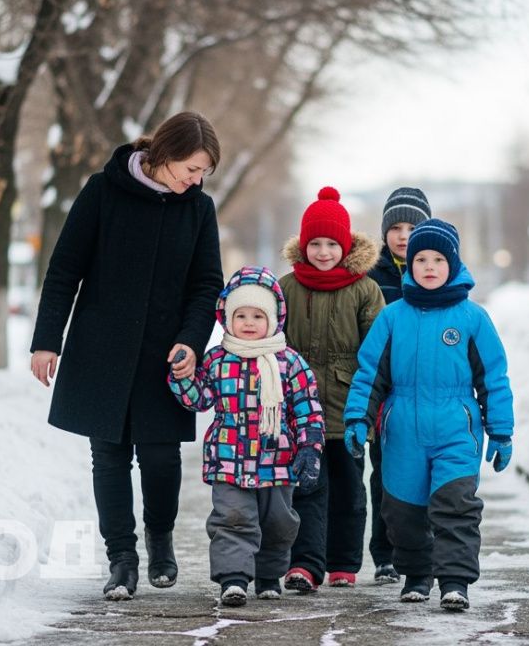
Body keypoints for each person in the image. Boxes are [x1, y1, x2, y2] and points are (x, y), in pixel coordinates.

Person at [29, 111, 224, 601]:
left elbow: (207, 285)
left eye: (204, 173)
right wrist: (47, 339)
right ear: (164, 155)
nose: (196, 180)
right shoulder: (103, 190)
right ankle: (121, 557)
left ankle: (160, 538)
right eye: (191, 169)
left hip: (166, 354)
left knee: (161, 457)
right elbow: (65, 267)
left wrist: (191, 340)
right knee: (109, 457)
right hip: (102, 348)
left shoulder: (198, 209)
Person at [343, 218, 515, 611]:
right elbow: (370, 374)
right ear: (411, 265)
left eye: (439, 258)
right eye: (421, 258)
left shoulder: (473, 318)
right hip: (402, 428)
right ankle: (417, 573)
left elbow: (493, 377)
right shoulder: (392, 317)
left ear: (453, 264)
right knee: (402, 511)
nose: (430, 266)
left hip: (457, 427)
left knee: (456, 506)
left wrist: (500, 431)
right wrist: (357, 418)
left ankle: (455, 581)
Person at [168, 266, 325, 607]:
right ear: (227, 318)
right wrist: (183, 377)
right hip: (230, 460)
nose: (249, 323)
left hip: (278, 462)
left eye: (258, 315)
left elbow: (307, 408)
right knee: (233, 520)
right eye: (241, 315)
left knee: (278, 523)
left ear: (273, 319)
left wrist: (310, 447)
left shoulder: (289, 363)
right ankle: (233, 578)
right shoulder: (217, 360)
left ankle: (269, 576)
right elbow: (201, 398)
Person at [278, 187, 385, 592]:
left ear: (346, 245)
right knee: (305, 489)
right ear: (304, 246)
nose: (324, 252)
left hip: (348, 410)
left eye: (332, 244)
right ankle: (304, 564)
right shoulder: (287, 287)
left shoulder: (364, 289)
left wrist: (369, 406)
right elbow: (273, 344)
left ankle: (343, 561)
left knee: (348, 491)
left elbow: (376, 355)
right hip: (299, 413)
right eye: (316, 244)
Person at [363, 186, 431, 583]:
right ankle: (384, 554)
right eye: (396, 227)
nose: (403, 235)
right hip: (385, 395)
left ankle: (424, 551)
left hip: (427, 392)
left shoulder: (437, 269)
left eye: (412, 226)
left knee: (425, 478)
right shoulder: (372, 275)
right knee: (384, 476)